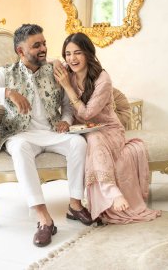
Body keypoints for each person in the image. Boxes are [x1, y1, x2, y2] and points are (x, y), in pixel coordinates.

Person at [0, 24, 93, 247]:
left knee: (78, 143)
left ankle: (75, 205)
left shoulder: (55, 70)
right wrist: (7, 92)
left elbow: (67, 105)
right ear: (21, 51)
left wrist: (66, 120)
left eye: (44, 43)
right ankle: (44, 219)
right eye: (36, 46)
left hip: (52, 132)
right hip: (21, 133)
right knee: (20, 147)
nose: (43, 48)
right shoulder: (5, 73)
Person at [54, 32, 161, 224]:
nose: (72, 58)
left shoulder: (103, 78)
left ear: (88, 53)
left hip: (109, 130)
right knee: (89, 139)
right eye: (68, 54)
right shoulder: (67, 72)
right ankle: (98, 197)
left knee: (95, 139)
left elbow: (87, 114)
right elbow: (52, 64)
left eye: (77, 53)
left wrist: (68, 88)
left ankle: (112, 192)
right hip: (82, 130)